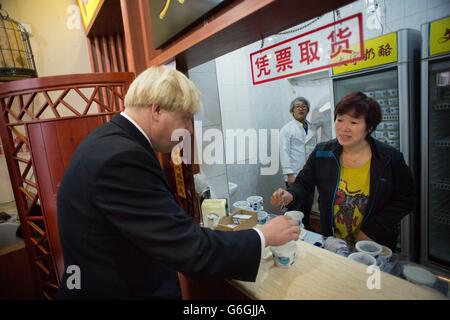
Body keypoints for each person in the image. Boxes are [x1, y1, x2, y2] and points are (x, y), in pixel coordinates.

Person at [57, 65, 300, 299]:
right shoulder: (123, 159)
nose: (189, 130)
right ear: (157, 110)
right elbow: (191, 250)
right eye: (185, 119)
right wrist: (263, 236)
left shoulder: (107, 140)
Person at [271, 91, 415, 250]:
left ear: (369, 127)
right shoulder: (322, 152)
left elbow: (407, 198)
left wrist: (372, 230)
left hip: (374, 244)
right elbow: (304, 183)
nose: (344, 128)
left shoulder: (389, 158)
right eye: (340, 120)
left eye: (354, 122)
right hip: (333, 241)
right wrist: (290, 194)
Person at [279, 97, 317, 227]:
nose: (301, 108)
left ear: (307, 110)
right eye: (297, 106)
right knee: (295, 205)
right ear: (292, 111)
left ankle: (305, 227)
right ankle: (292, 230)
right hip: (294, 173)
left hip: (310, 173)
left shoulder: (312, 127)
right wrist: (289, 174)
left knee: (308, 203)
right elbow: (284, 151)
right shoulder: (287, 129)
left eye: (304, 106)